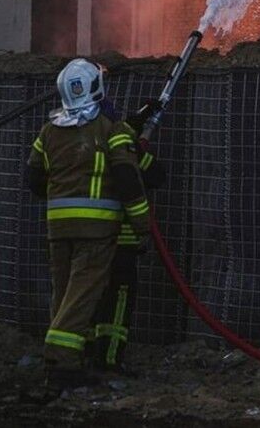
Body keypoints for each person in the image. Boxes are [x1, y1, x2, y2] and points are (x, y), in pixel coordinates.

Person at [26, 59, 151, 389]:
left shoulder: (48, 131)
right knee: (82, 295)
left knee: (64, 294)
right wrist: (142, 225)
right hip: (96, 231)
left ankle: (70, 357)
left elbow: (33, 179)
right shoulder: (110, 129)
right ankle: (61, 361)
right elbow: (127, 180)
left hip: (58, 229)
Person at [89, 97, 166, 375]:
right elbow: (154, 174)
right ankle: (109, 360)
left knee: (88, 299)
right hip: (120, 241)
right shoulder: (121, 146)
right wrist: (135, 146)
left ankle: (85, 356)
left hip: (87, 240)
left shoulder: (76, 144)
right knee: (118, 302)